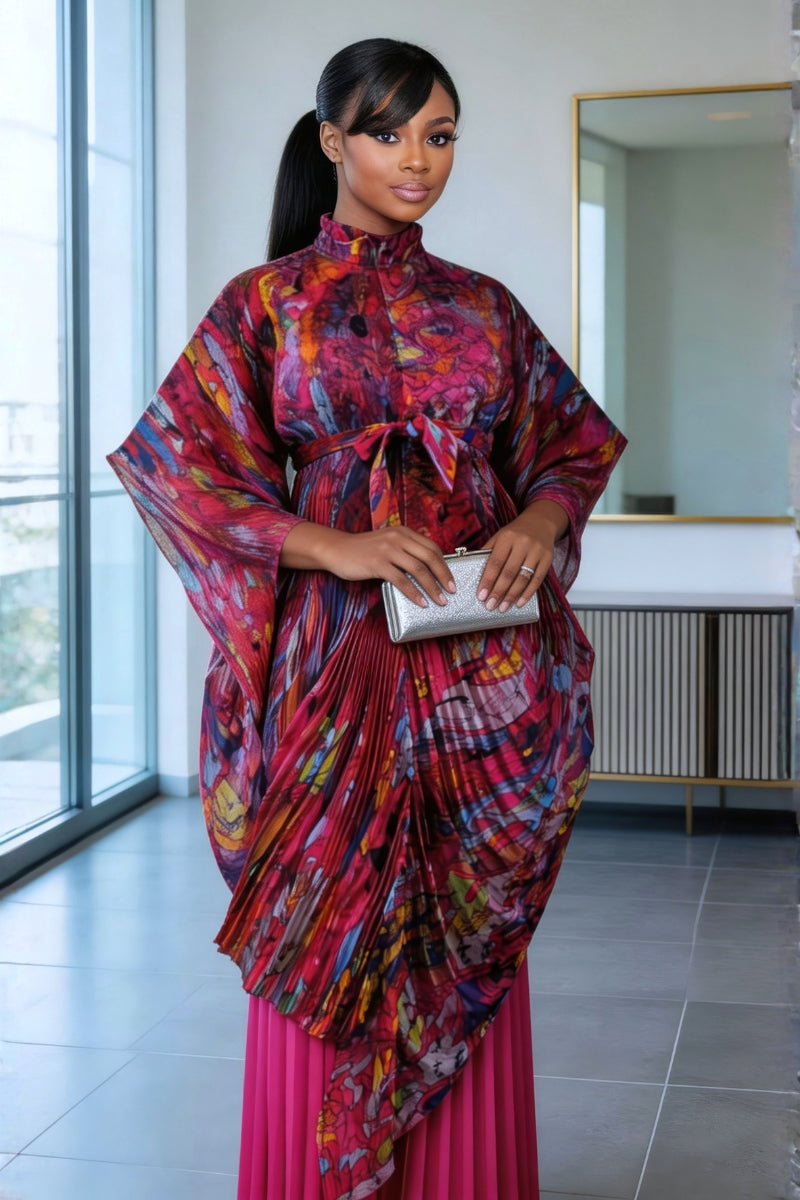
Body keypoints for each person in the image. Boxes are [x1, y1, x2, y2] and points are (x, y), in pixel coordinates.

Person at [109, 37, 625, 1200]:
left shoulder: (485, 310)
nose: (417, 159)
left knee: (458, 920)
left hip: (480, 674)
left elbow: (572, 444)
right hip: (331, 671)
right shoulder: (266, 306)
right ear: (333, 141)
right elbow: (174, 467)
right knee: (329, 912)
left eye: (438, 134)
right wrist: (330, 542)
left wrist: (538, 523)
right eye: (389, 132)